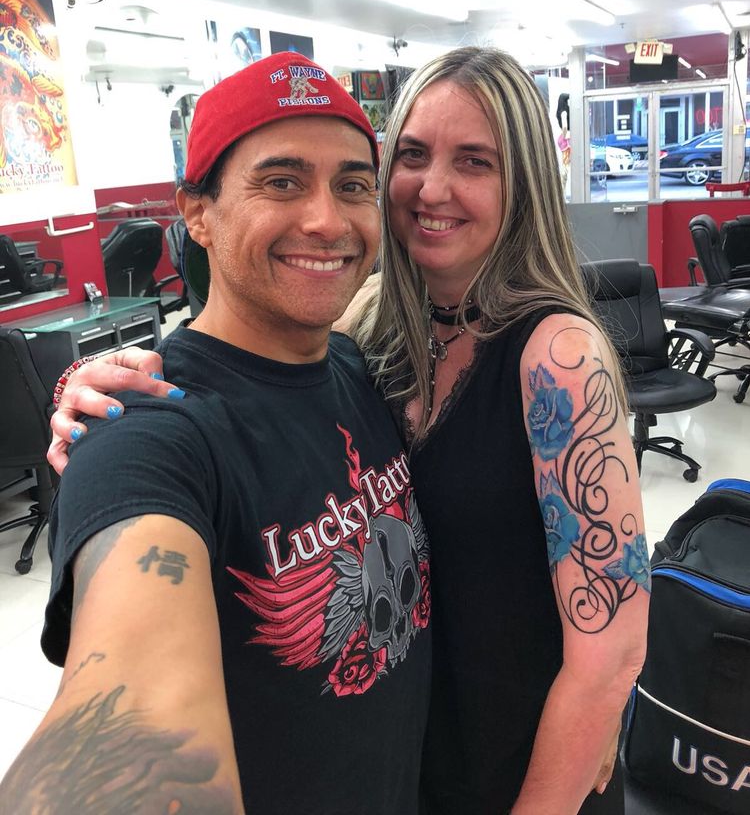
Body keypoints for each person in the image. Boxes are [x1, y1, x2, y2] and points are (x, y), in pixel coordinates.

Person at [47, 47, 649, 814]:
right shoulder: (367, 331)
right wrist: (96, 390)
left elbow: (611, 653)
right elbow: (124, 701)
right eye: (413, 156)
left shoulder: (556, 355)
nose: (432, 188)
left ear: (523, 181)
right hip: (425, 769)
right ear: (195, 211)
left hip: (526, 774)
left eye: (474, 161)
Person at [0, 53, 431, 815]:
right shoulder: (148, 431)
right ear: (196, 212)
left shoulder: (358, 361)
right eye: (282, 182)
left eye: (352, 186)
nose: (328, 221)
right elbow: (130, 717)